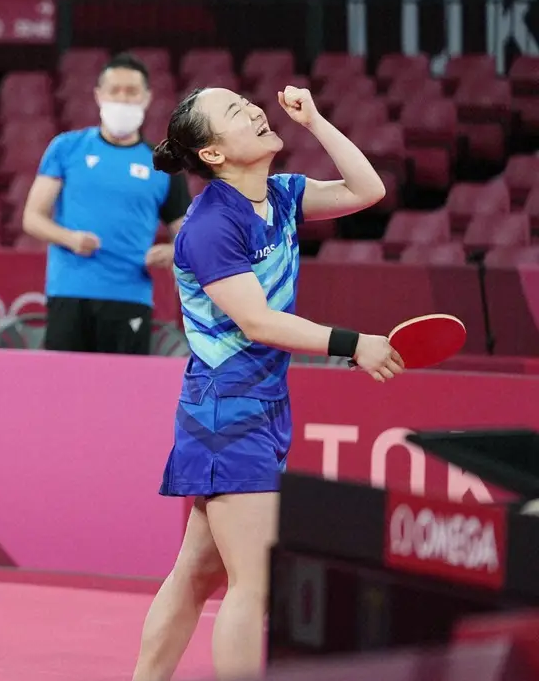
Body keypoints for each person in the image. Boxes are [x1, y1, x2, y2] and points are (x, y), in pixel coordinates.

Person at [129, 84, 403, 681]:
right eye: (234, 112)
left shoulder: (279, 197)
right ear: (212, 155)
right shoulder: (207, 227)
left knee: (198, 573)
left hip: (260, 402)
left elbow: (367, 190)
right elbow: (256, 321)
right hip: (227, 409)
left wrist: (317, 121)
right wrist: (352, 345)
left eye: (246, 102)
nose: (254, 109)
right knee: (253, 582)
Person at [22, 53, 191, 355]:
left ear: (147, 97)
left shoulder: (164, 165)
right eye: (115, 90)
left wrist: (174, 251)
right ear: (99, 95)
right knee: (63, 389)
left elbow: (188, 234)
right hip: (70, 291)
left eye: (131, 91)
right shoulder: (66, 148)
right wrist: (70, 238)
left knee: (123, 394)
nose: (122, 99)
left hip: (130, 296)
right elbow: (32, 217)